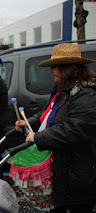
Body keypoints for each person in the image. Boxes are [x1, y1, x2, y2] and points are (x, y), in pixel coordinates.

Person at [15, 43, 96, 212]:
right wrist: (29, 122)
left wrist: (38, 137)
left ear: (67, 69)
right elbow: (49, 114)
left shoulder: (87, 96)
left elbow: (73, 129)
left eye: (54, 67)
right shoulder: (64, 91)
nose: (51, 71)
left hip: (79, 176)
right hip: (64, 172)